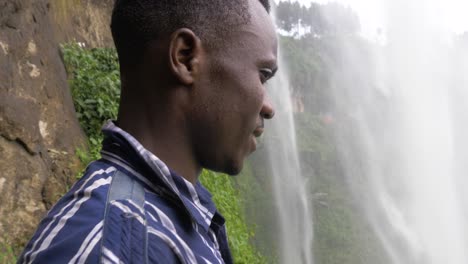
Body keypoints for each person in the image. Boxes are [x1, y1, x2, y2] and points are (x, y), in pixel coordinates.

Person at [18, 0, 277, 263]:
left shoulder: (178, 214)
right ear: (186, 57)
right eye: (263, 75)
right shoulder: (108, 250)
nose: (269, 108)